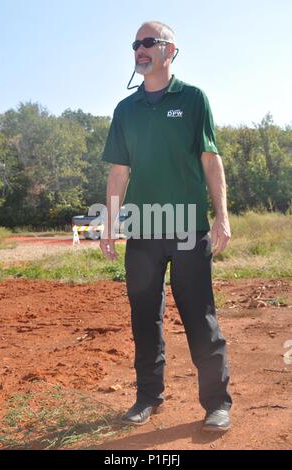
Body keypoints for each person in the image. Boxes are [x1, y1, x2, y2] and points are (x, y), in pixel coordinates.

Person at [100, 20, 233, 432]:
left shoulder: (193, 99)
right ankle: (147, 398)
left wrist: (221, 216)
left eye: (148, 42)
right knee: (144, 316)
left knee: (199, 315)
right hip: (142, 227)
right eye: (135, 44)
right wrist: (109, 221)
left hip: (187, 226)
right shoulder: (126, 109)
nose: (139, 49)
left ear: (170, 50)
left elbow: (211, 160)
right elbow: (119, 172)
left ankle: (216, 403)